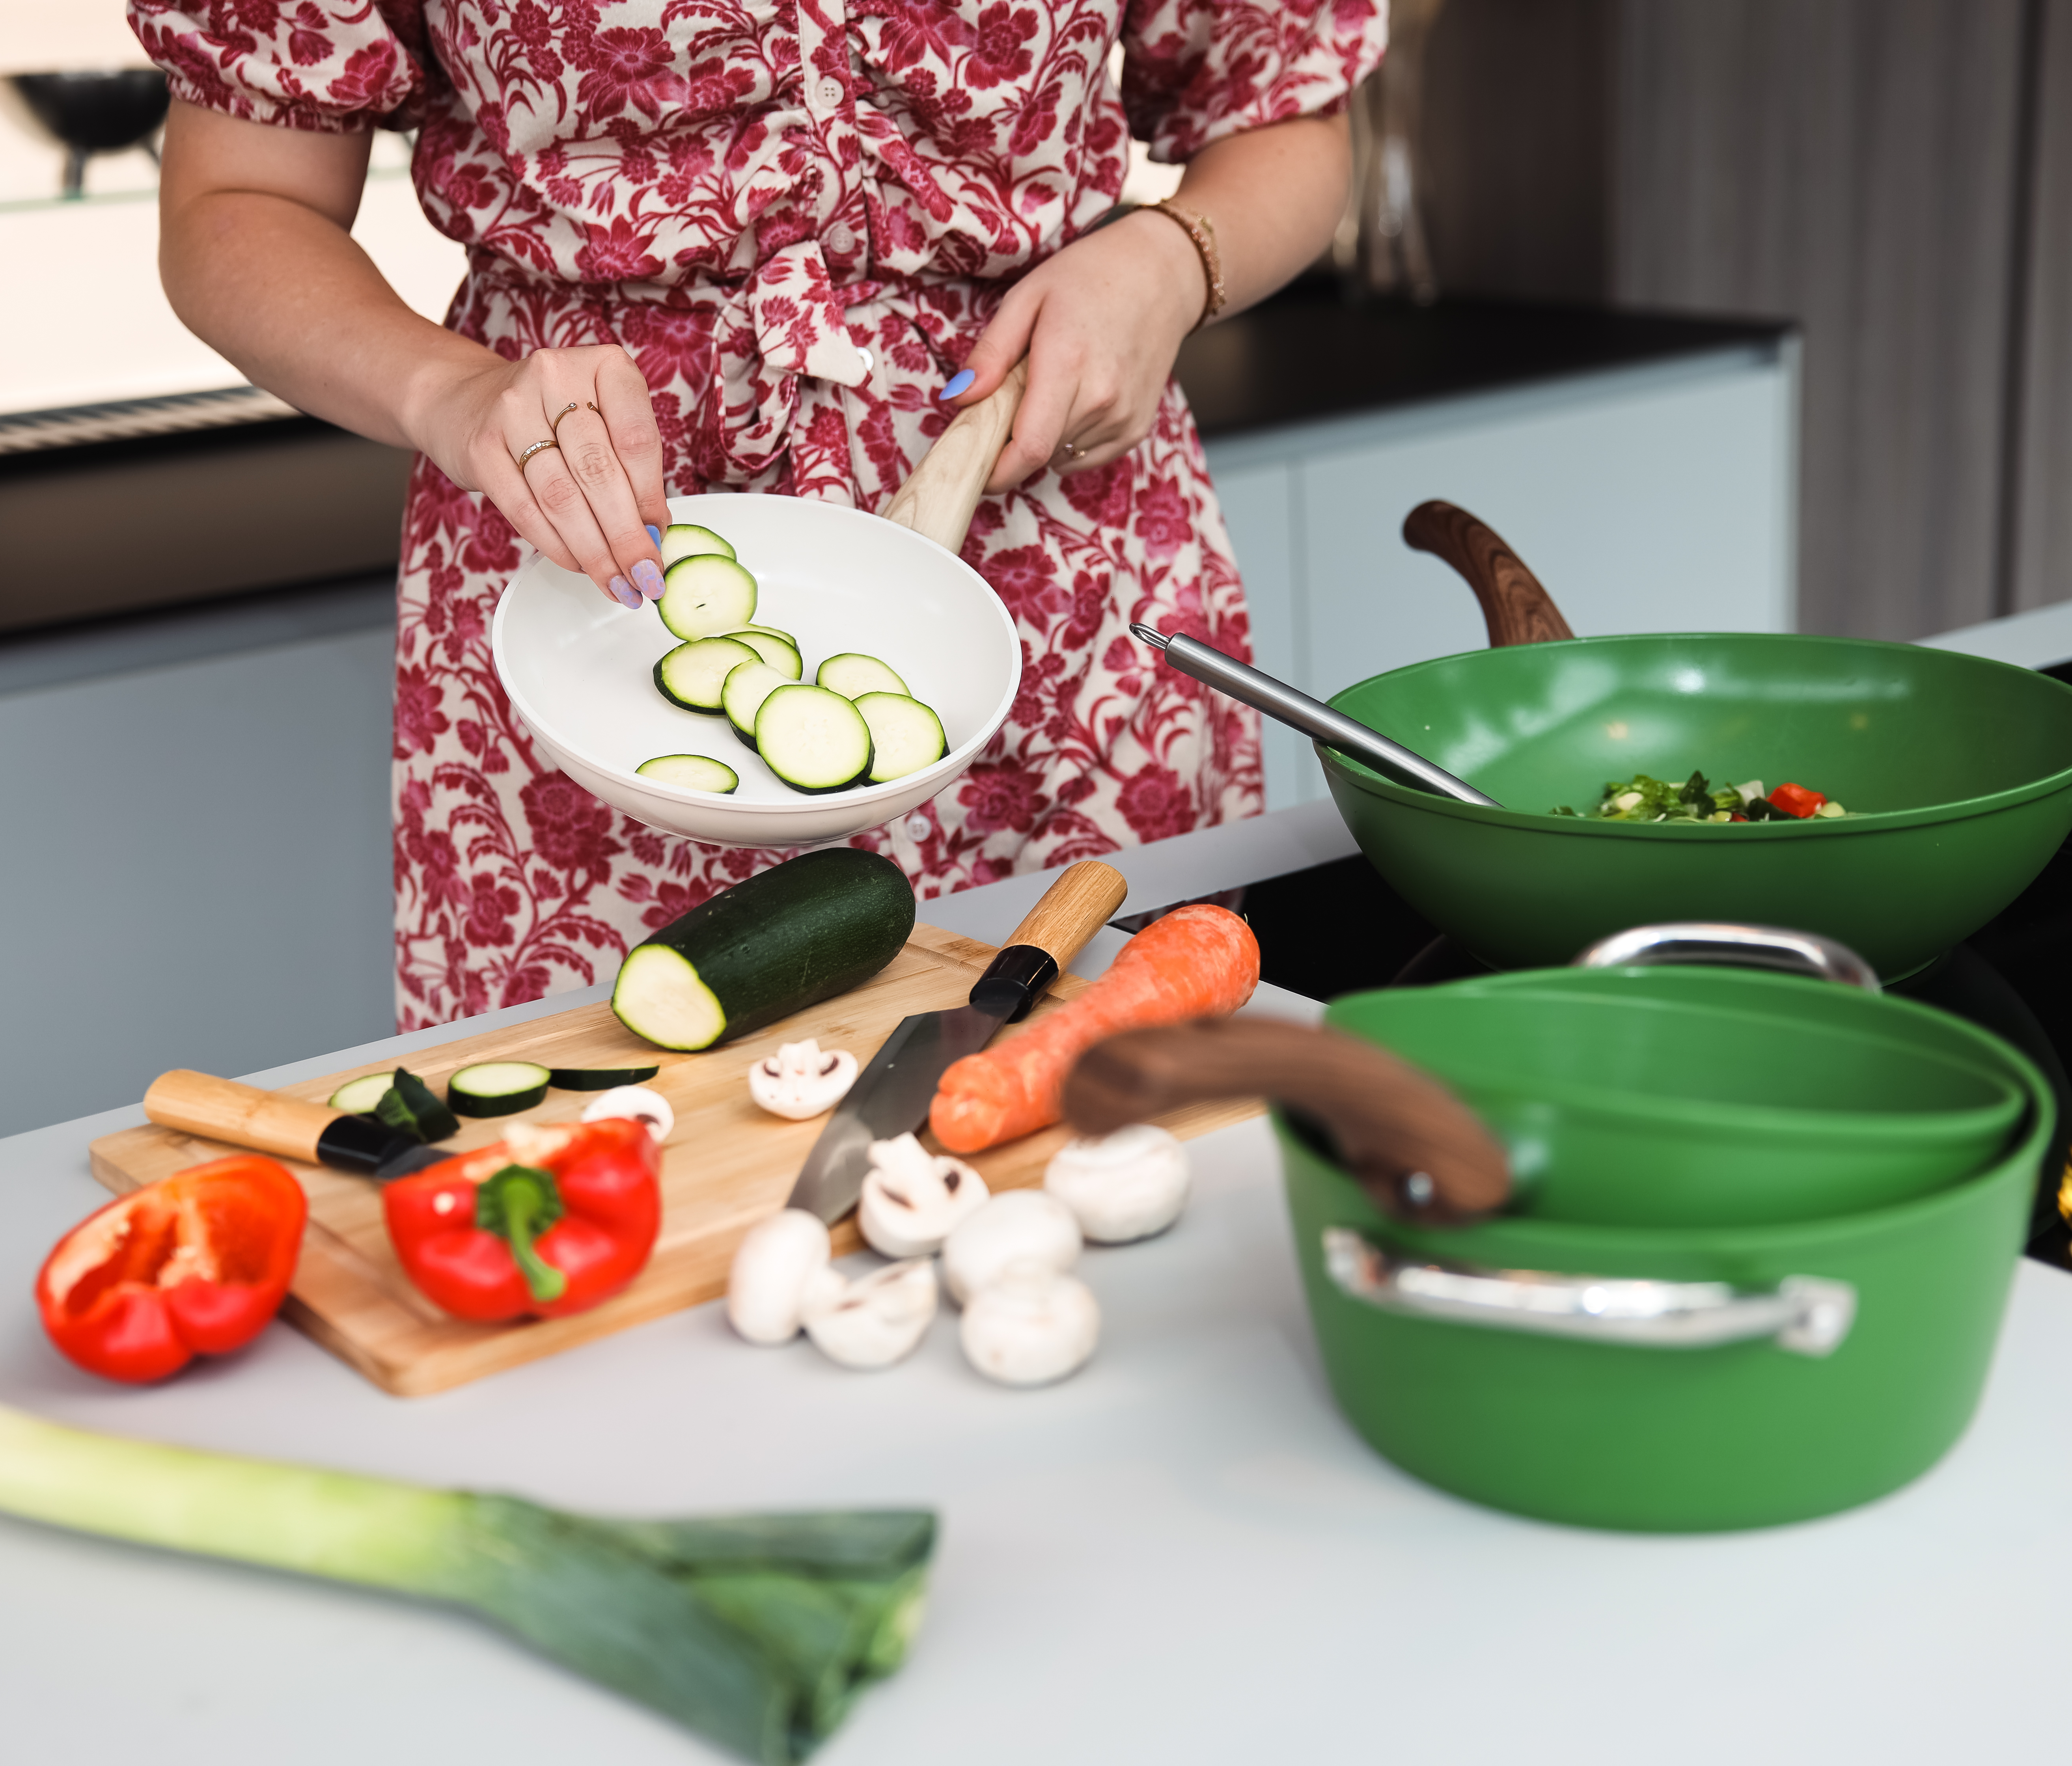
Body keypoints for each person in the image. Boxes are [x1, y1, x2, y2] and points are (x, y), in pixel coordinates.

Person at [133, 0, 1378, 1029]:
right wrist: (454, 392)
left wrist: (1170, 259)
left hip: (1047, 548)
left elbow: (1286, 111)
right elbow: (238, 198)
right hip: (601, 574)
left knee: (1109, 1098)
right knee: (617, 1136)